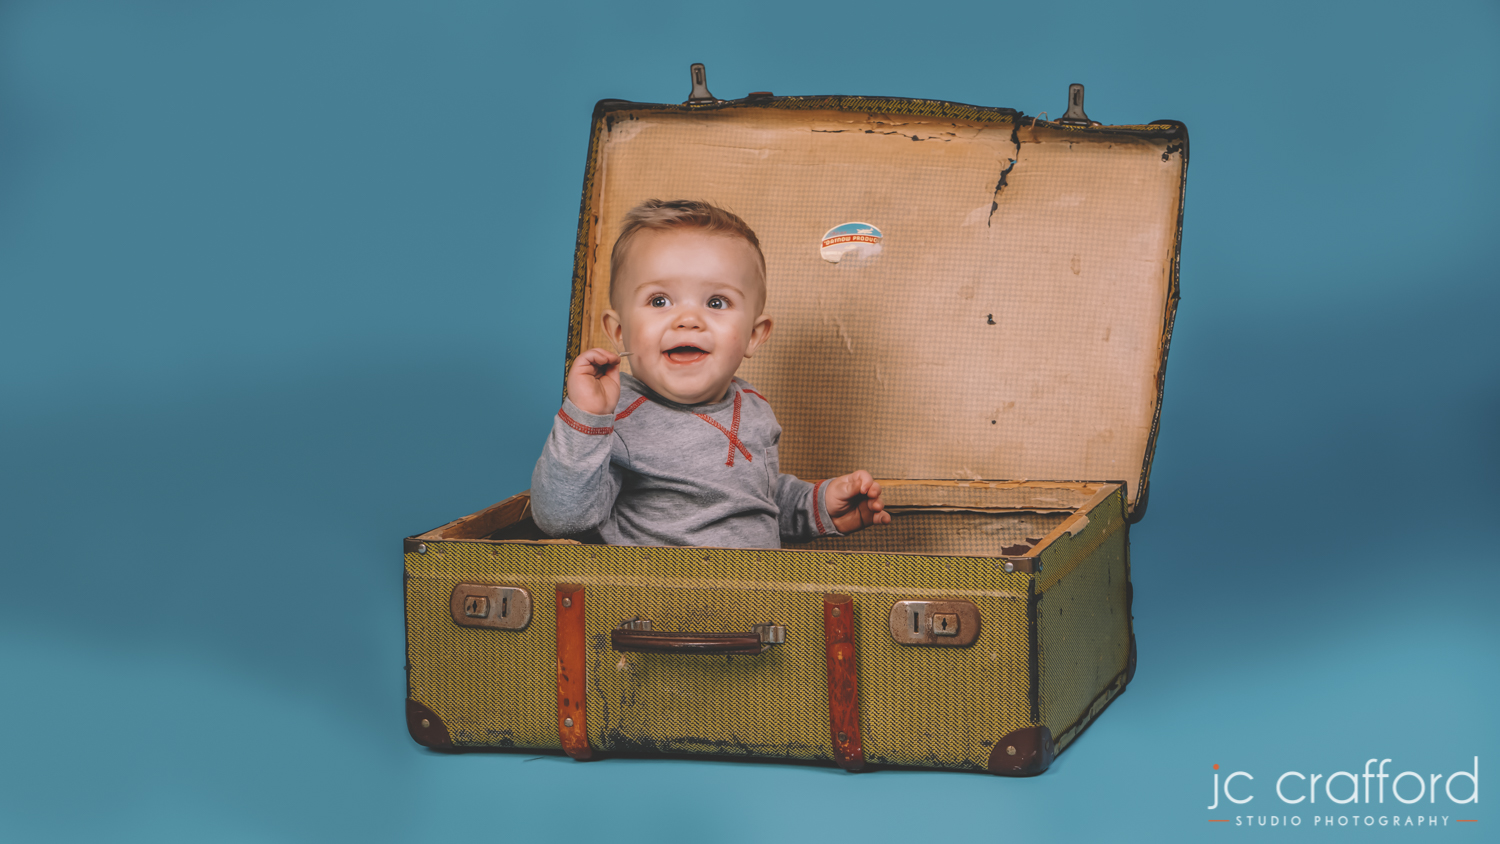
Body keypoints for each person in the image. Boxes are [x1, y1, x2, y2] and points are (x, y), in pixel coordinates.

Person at [530, 199, 890, 548]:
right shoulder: (615, 417)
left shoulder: (754, 406)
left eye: (716, 302)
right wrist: (587, 418)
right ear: (620, 332)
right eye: (659, 301)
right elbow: (562, 519)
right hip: (658, 589)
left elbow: (752, 497)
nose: (688, 320)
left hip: (759, 589)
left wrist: (816, 505)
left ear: (753, 336)